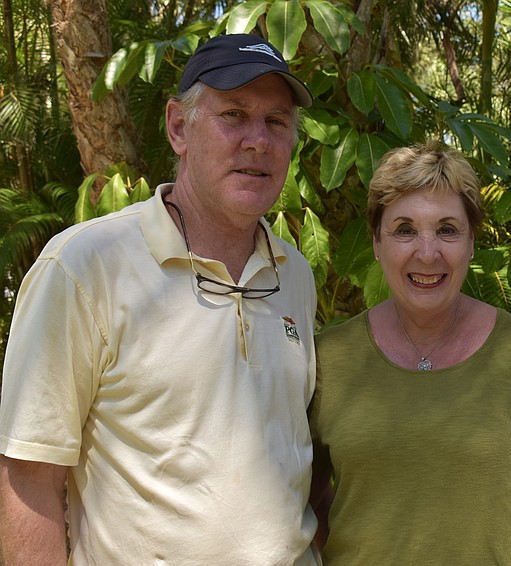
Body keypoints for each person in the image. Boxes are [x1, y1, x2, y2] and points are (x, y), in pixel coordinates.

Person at [0, 34, 320, 565]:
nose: (258, 141)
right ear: (178, 128)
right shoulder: (84, 267)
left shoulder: (295, 274)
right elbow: (27, 475)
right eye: (234, 114)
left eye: (277, 122)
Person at [308, 140, 511, 564]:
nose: (427, 253)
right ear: (376, 242)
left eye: (447, 229)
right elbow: (309, 502)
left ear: (471, 243)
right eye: (405, 230)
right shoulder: (330, 359)